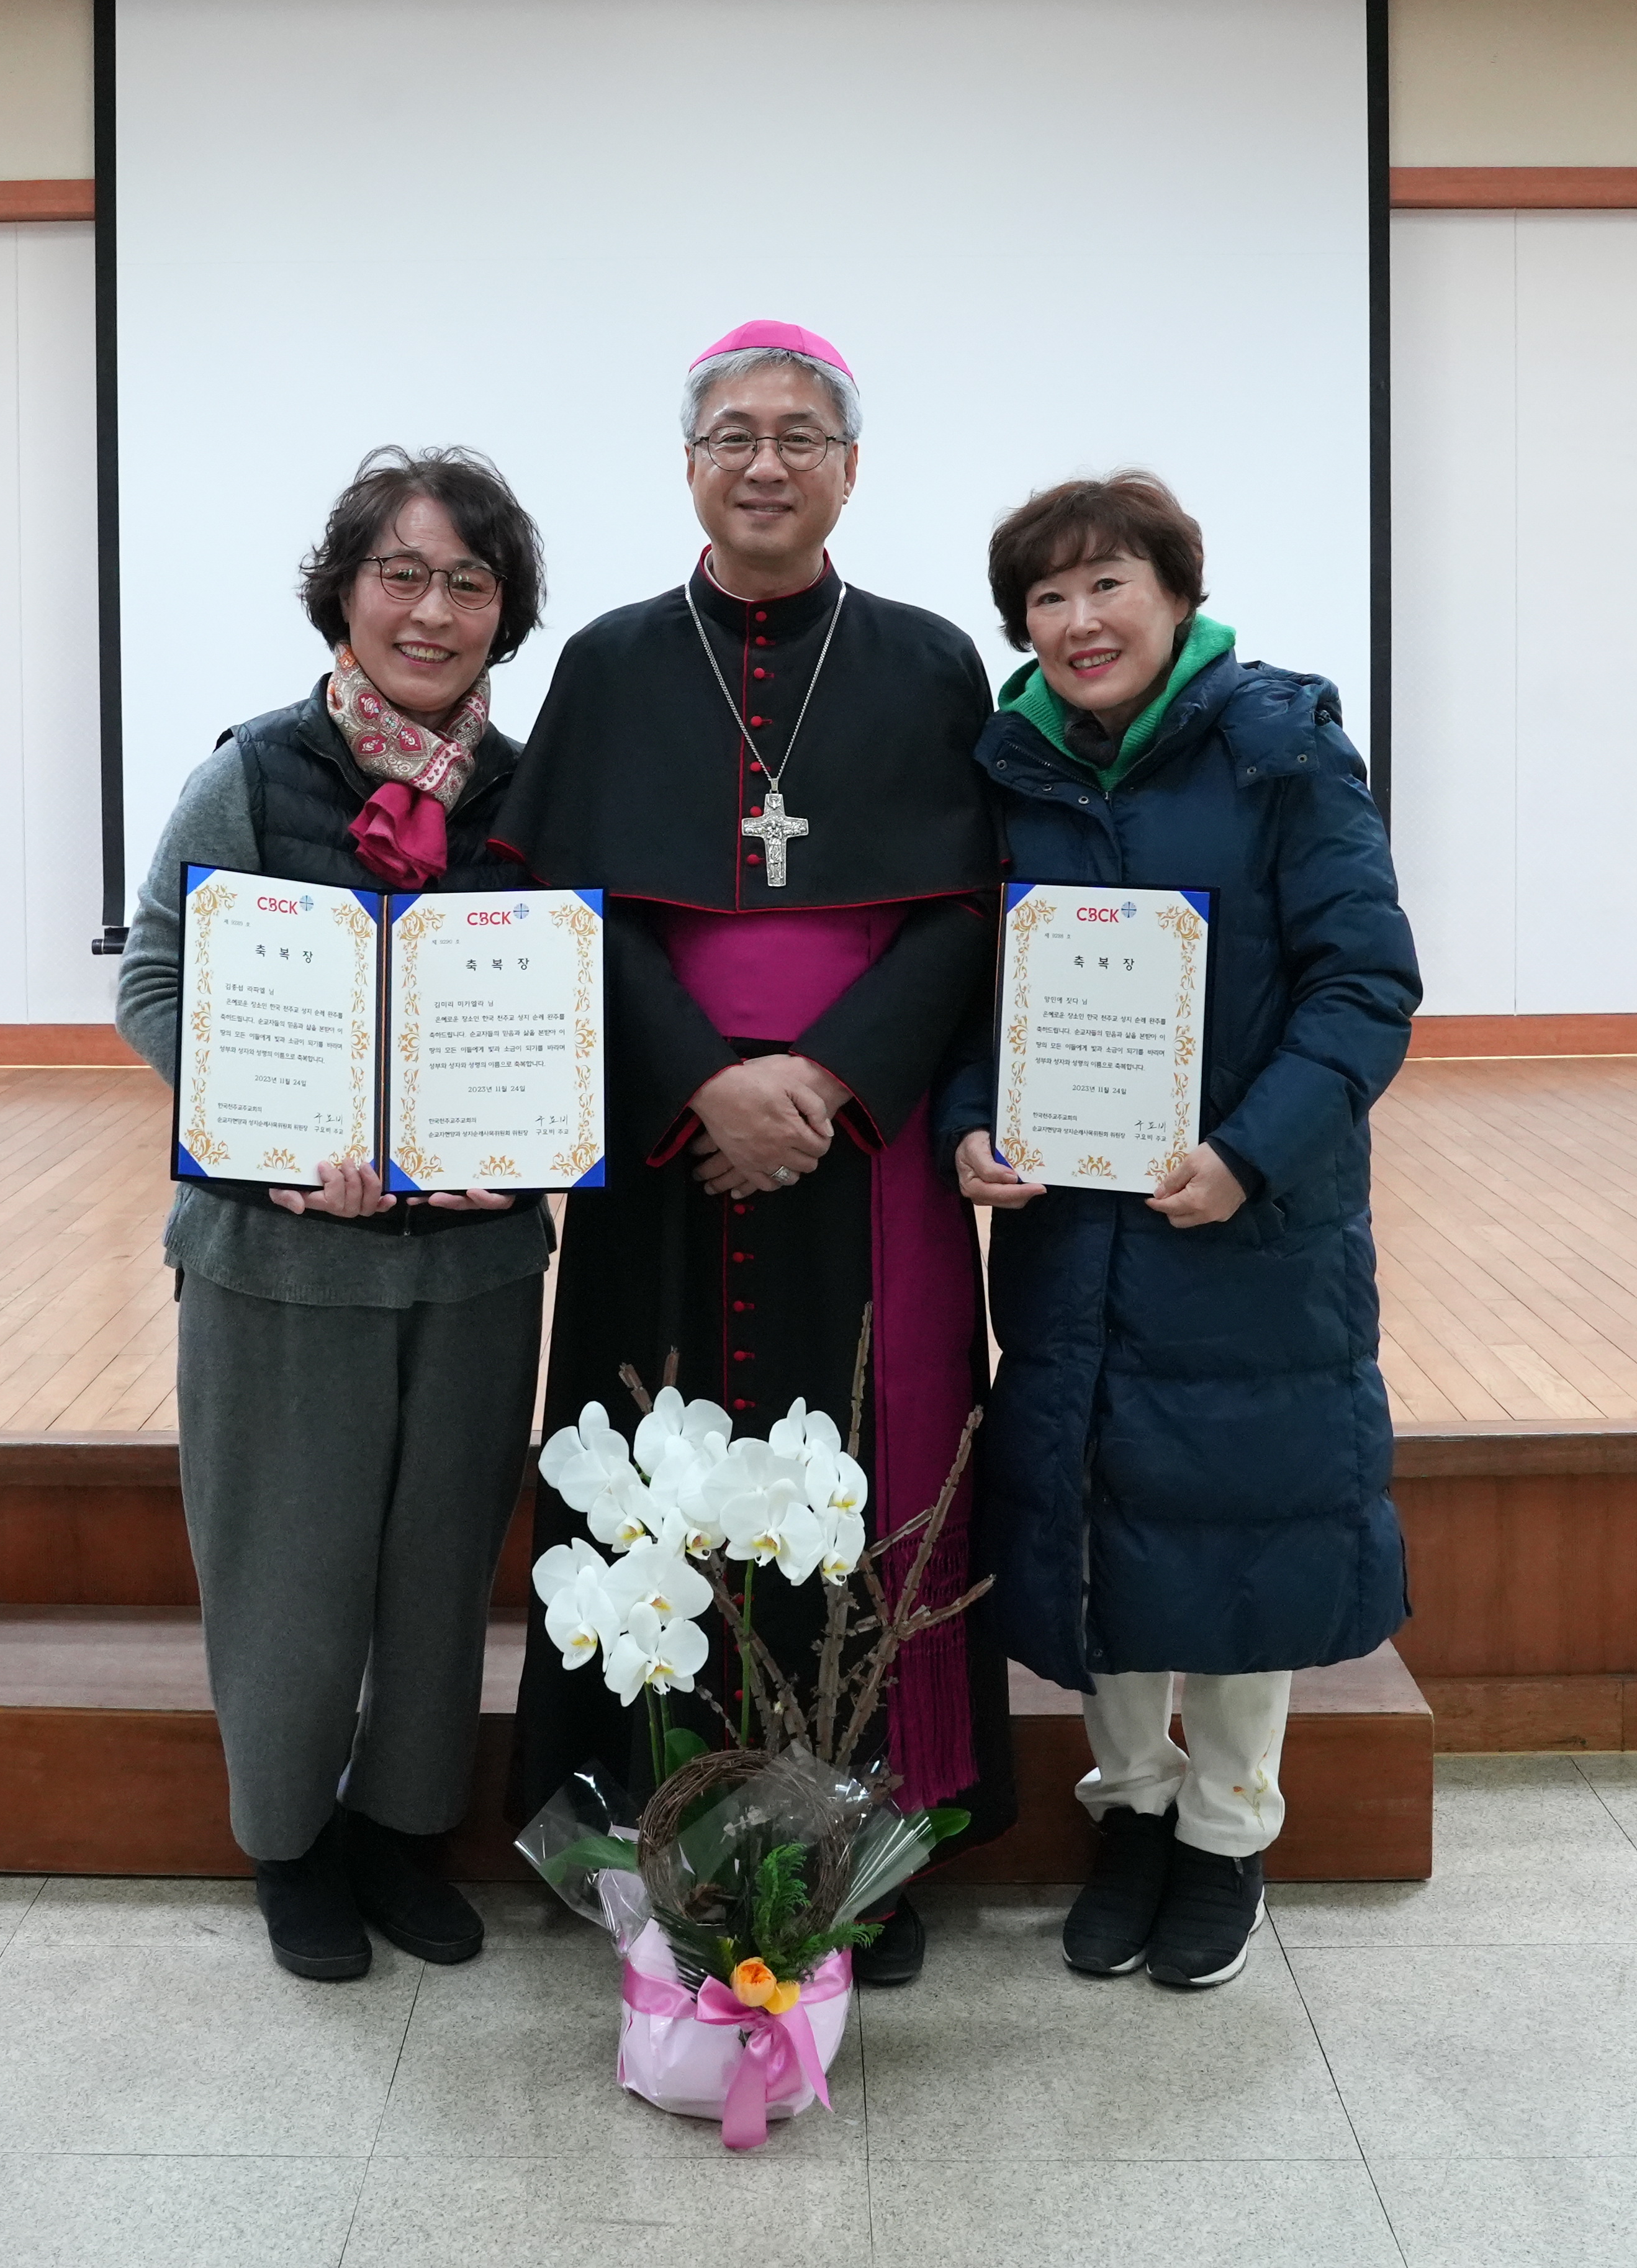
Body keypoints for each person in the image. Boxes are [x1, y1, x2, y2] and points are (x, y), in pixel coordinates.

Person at [489, 322, 1014, 1987]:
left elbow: (961, 917)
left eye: (800, 434)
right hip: (668, 1155)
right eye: (732, 433)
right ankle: (644, 1824)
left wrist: (832, 1081)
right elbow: (574, 911)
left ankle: (868, 1842)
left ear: (850, 468)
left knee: (871, 1471)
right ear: (690, 464)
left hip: (869, 1158)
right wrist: (705, 1084)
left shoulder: (930, 662)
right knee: (650, 1476)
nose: (765, 460)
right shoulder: (615, 662)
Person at [942, 471, 1419, 1992]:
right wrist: (971, 1116)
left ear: (1178, 594)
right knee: (1101, 1511)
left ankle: (1226, 1831)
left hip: (1244, 1226)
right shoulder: (1006, 767)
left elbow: (1364, 984)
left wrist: (1249, 1155)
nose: (1080, 622)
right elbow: (977, 991)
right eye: (1048, 597)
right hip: (1078, 1229)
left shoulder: (1281, 747)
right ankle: (1131, 1812)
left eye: (1109, 586)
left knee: (1234, 1524)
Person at [114, 446, 557, 1984]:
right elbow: (156, 979)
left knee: (440, 1578)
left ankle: (402, 1831)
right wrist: (274, 1140)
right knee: (289, 1573)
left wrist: (539, 1139)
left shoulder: (533, 788)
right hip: (280, 1255)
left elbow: (576, 1008)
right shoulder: (249, 771)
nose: (430, 611)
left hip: (479, 1264)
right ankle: (290, 1843)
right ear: (345, 590)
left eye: (468, 582)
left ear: (504, 612)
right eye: (401, 573)